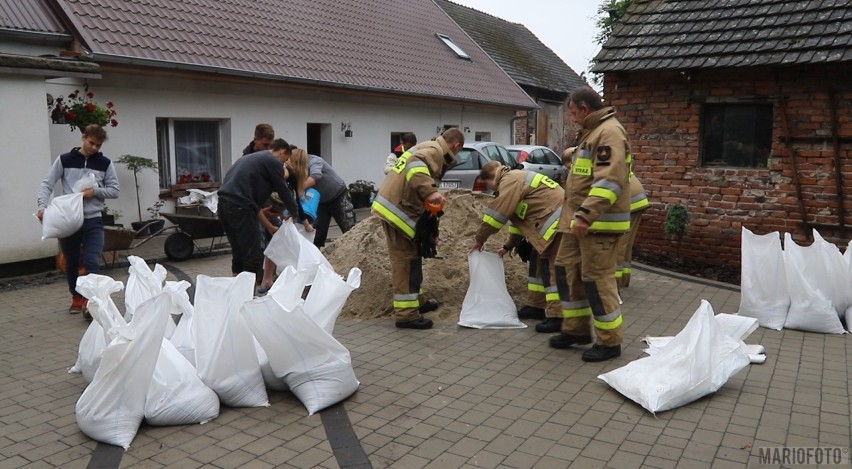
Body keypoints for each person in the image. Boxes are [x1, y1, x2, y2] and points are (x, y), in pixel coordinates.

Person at [550, 85, 631, 362]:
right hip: (578, 221)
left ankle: (609, 341)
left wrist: (585, 214)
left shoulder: (609, 132)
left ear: (585, 109)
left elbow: (610, 180)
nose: (572, 118)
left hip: (598, 224)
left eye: (573, 113)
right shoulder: (591, 133)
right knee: (565, 269)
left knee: (597, 280)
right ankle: (576, 330)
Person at [372, 128, 464, 329]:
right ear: (456, 145)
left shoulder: (428, 146)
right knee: (404, 261)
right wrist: (429, 191)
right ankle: (406, 314)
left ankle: (417, 302)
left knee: (413, 257)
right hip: (397, 211)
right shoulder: (433, 150)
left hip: (402, 210)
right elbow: (415, 165)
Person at [36, 124, 120, 319]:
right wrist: (42, 207)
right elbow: (47, 184)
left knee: (92, 261)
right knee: (72, 262)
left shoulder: (105, 163)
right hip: (68, 221)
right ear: (83, 138)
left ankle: (90, 302)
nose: (94, 148)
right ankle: (76, 296)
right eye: (91, 143)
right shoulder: (65, 160)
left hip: (93, 220)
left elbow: (115, 190)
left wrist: (95, 192)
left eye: (98, 145)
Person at [470, 161, 565, 325]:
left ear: (491, 178)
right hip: (550, 223)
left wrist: (479, 239)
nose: (491, 190)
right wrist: (508, 246)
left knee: (551, 268)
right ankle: (536, 306)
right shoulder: (514, 179)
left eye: (488, 185)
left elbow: (497, 215)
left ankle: (557, 316)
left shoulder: (510, 180)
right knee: (536, 263)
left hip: (557, 223)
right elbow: (518, 220)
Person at [218, 138, 301, 282]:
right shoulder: (273, 161)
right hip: (240, 207)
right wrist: (295, 214)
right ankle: (247, 295)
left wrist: (269, 226)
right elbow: (283, 190)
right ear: (282, 151)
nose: (283, 166)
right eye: (284, 160)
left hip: (224, 205)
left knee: (238, 252)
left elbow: (253, 206)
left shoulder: (250, 160)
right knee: (254, 254)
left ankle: (235, 291)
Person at [304, 152, 350, 247]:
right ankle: (316, 257)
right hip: (320, 201)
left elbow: (316, 175)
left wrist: (300, 187)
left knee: (348, 226)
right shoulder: (294, 167)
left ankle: (355, 252)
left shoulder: (314, 161)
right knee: (318, 231)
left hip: (339, 195)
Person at [615, 172, 650, 289]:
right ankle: (624, 279)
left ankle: (615, 284)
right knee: (626, 244)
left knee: (619, 245)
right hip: (637, 200)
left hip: (630, 203)